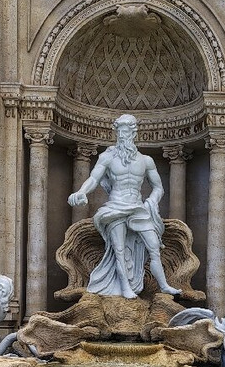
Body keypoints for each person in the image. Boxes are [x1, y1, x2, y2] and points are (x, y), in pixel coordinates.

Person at [67, 114, 180, 299]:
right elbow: (94, 178)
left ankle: (164, 285)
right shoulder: (107, 157)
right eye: (119, 132)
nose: (121, 136)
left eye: (125, 132)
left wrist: (151, 201)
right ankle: (125, 287)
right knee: (118, 250)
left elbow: (158, 187)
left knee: (154, 247)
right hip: (115, 207)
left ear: (133, 133)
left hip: (138, 207)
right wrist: (81, 192)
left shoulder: (146, 160)